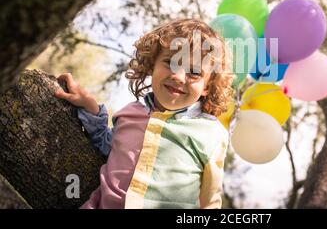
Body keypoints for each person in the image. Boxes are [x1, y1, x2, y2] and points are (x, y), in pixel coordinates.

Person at [55, 18, 235, 209]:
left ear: (207, 86)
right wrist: (89, 105)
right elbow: (108, 145)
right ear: (152, 65)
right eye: (170, 62)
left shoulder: (211, 133)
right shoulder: (129, 114)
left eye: (194, 72)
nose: (179, 76)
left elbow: (210, 201)